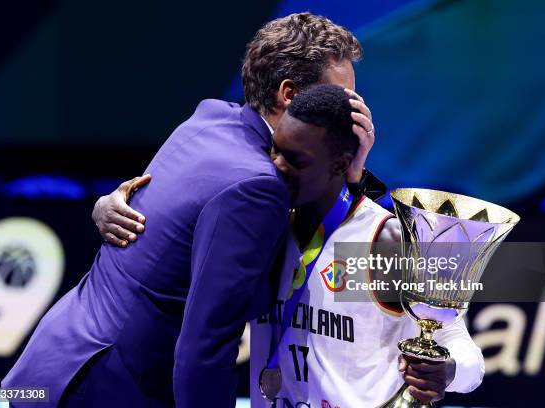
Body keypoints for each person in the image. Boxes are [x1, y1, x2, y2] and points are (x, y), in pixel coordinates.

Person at [2, 13, 375, 408]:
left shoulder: (210, 120)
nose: (352, 114)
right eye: (342, 98)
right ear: (289, 94)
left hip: (54, 364)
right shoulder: (256, 186)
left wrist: (351, 170)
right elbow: (205, 351)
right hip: (102, 389)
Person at [98, 85, 485, 407]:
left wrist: (445, 370)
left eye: (295, 160)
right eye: (275, 151)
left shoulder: (383, 242)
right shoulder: (264, 227)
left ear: (340, 164)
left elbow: (462, 352)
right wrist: (103, 206)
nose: (277, 166)